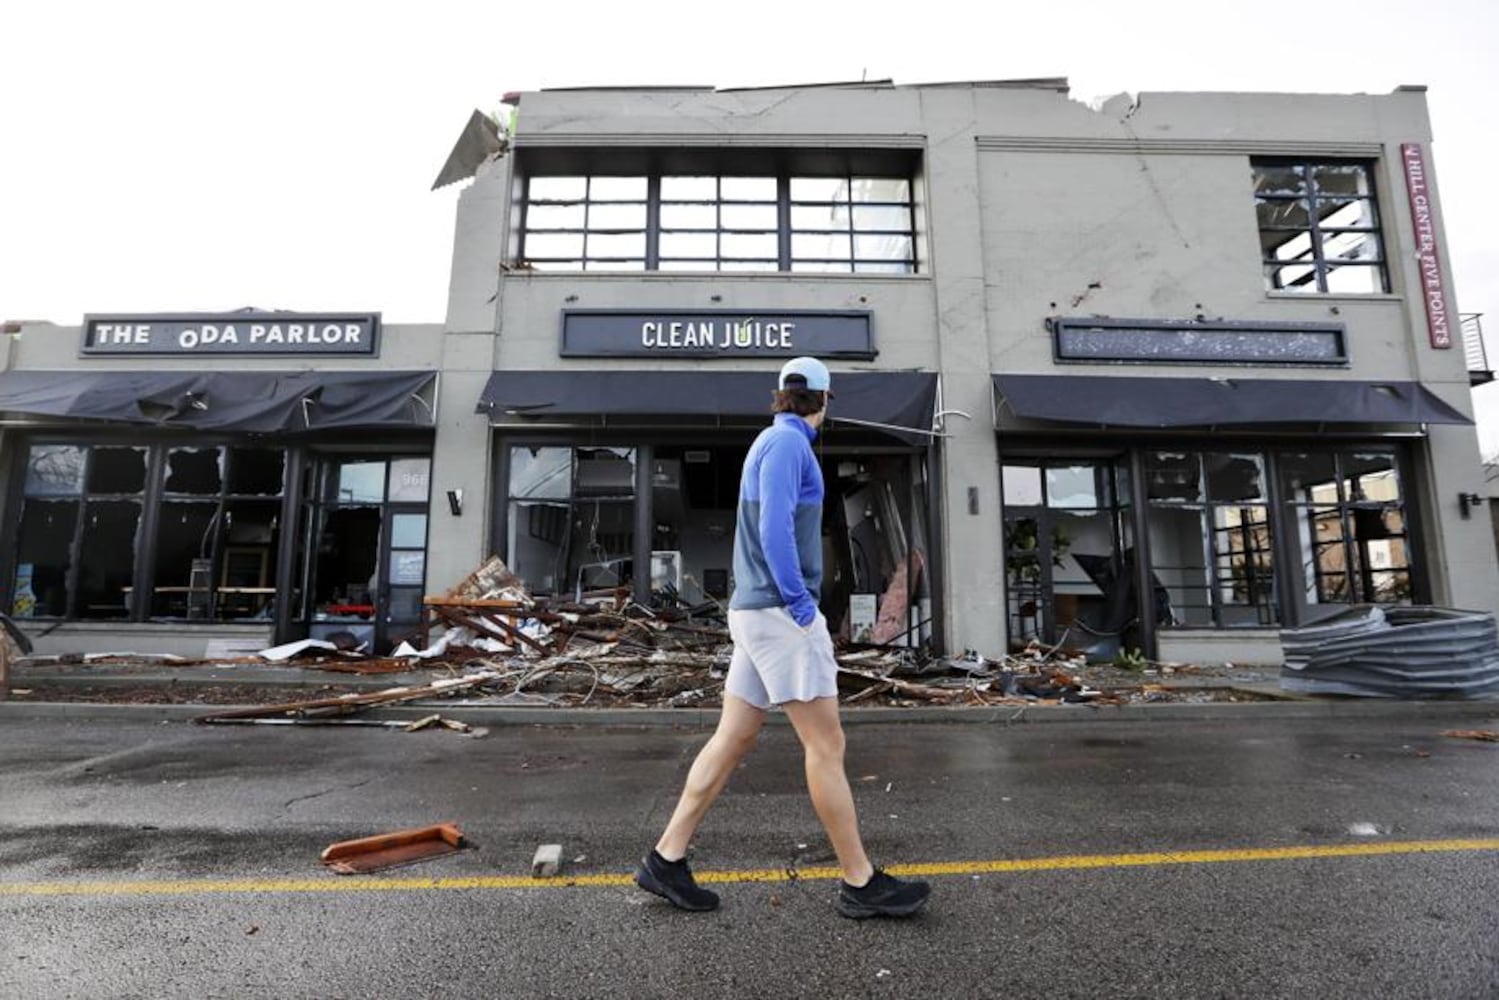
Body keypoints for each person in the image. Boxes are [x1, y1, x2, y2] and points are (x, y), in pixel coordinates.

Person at [635, 357, 931, 919]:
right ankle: (860, 882)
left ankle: (666, 859)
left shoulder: (769, 443)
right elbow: (773, 529)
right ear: (824, 399)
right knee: (827, 747)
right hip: (778, 615)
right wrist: (801, 605)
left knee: (732, 739)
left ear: (780, 396)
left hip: (755, 615)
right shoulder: (791, 446)